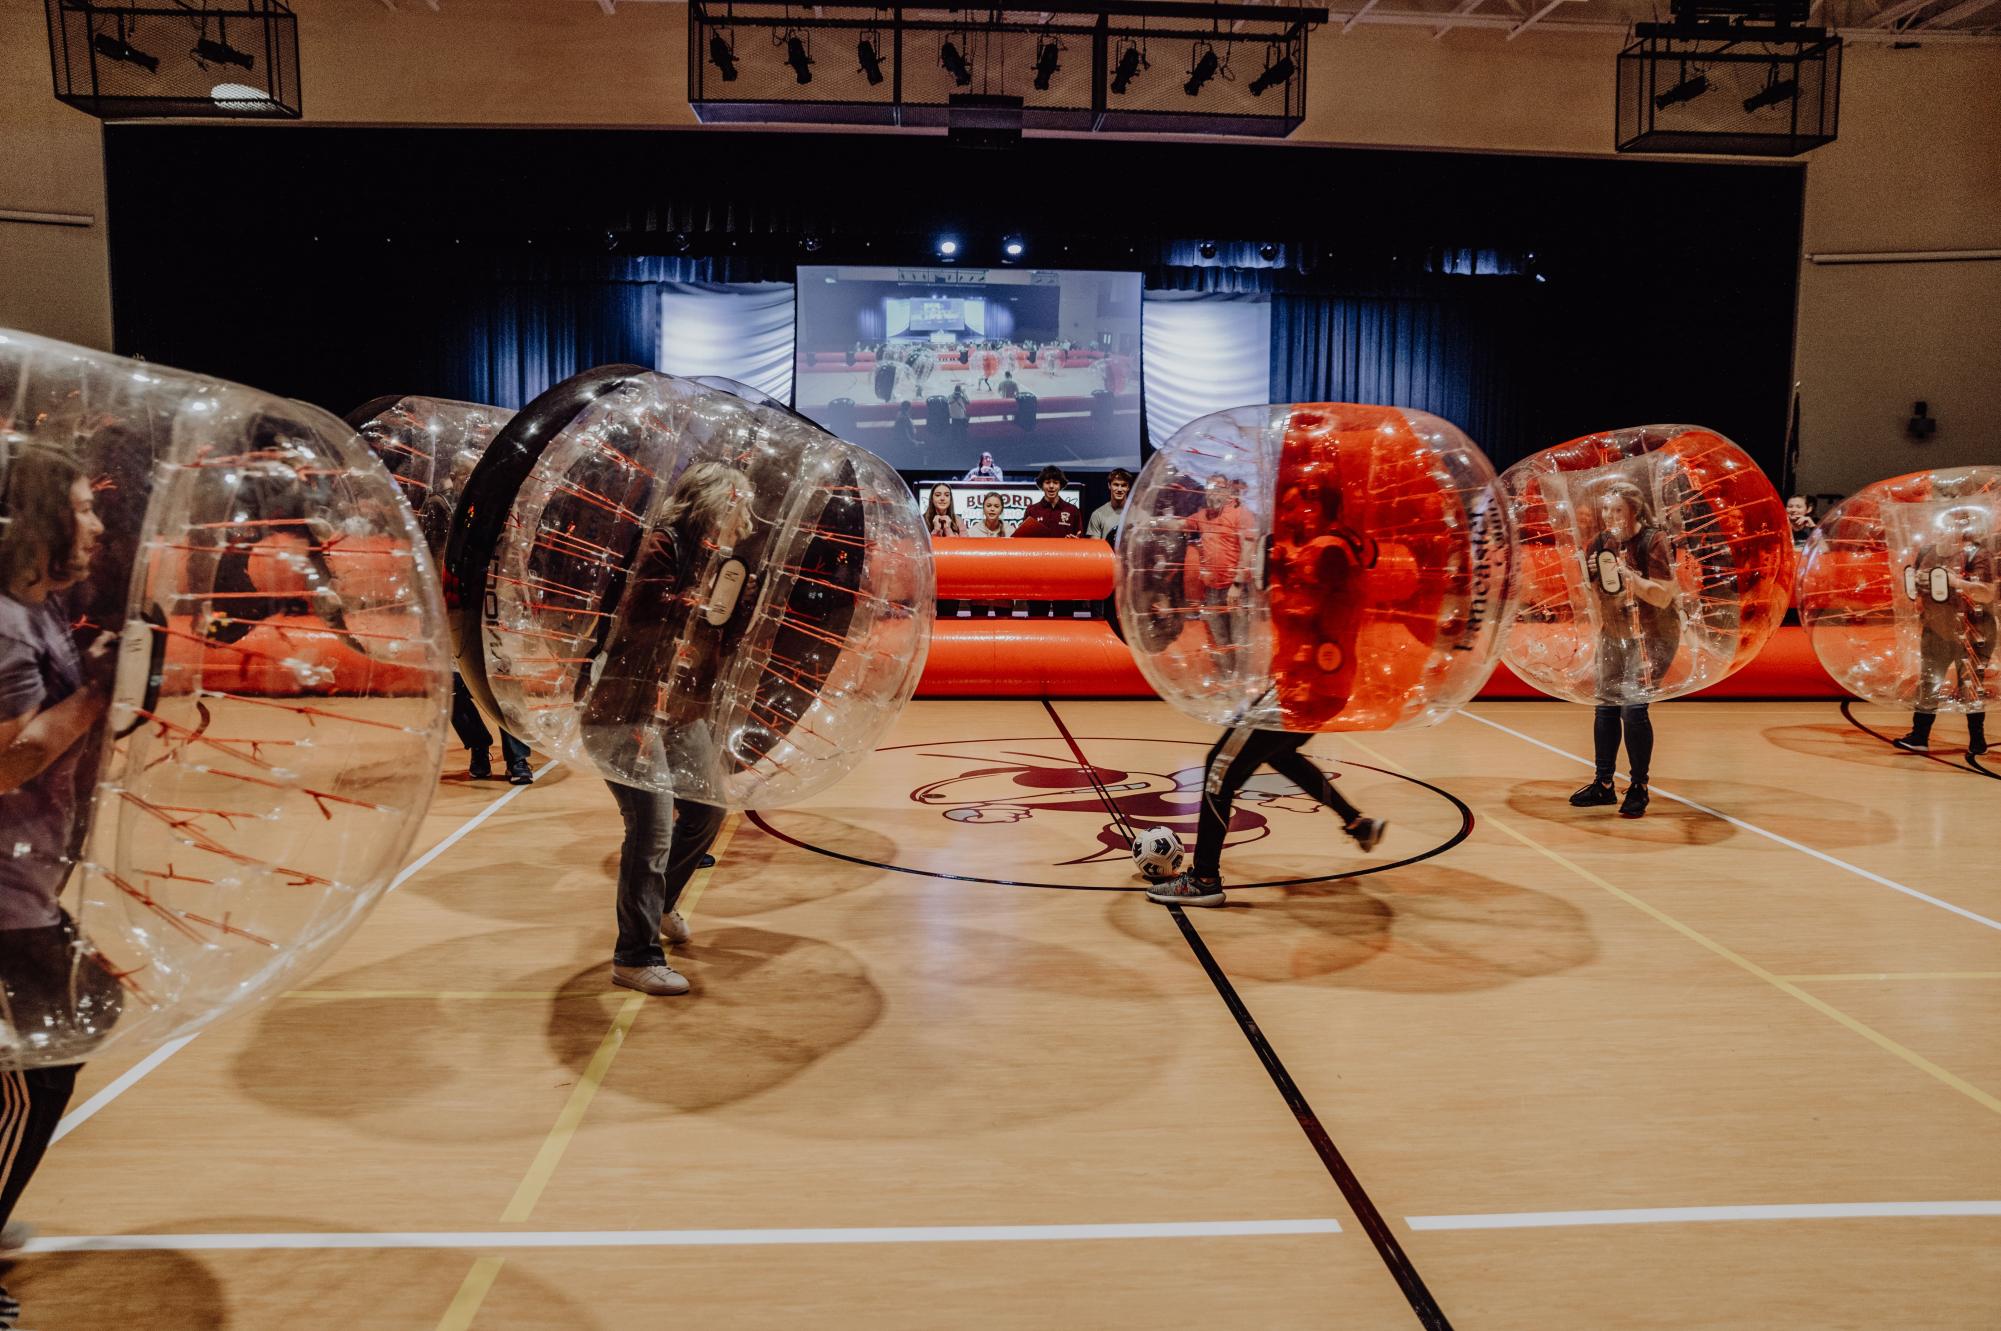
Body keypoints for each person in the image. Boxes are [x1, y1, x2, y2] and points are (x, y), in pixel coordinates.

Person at [0, 443, 125, 1329]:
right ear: (37, 521)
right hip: (1, 892)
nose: (96, 524)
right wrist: (100, 693)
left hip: (25, 878)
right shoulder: (6, 625)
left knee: (71, 1029)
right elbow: (11, 757)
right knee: (49, 1056)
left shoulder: (32, 613)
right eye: (82, 508)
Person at [579, 462, 750, 997]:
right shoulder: (663, 546)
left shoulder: (719, 560)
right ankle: (634, 956)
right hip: (627, 707)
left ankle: (660, 905)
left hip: (676, 708)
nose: (746, 515)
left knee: (706, 809)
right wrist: (702, 604)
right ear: (712, 501)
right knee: (650, 830)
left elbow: (717, 642)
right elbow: (640, 616)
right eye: (738, 502)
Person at [1146, 711, 1386, 908]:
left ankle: (1203, 878)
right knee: (1281, 754)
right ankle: (1355, 822)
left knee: (1218, 768)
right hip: (1318, 697)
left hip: (1285, 696)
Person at [1569, 480, 1681, 818]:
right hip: (1614, 632)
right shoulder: (1599, 543)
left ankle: (1638, 786)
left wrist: (1628, 575)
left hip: (1653, 635)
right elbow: (1597, 601)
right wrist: (1590, 580)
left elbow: (1663, 597)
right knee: (1605, 706)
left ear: (1635, 510)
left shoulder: (1654, 541)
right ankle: (1604, 784)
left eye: (1618, 509)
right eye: (1606, 509)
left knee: (1633, 708)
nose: (1610, 516)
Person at [1894, 507, 1995, 756]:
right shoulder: (1928, 551)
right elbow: (1917, 584)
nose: (1947, 530)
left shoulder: (1978, 554)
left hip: (1973, 630)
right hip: (1936, 627)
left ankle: (1977, 740)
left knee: (1970, 684)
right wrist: (1917, 584)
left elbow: (1987, 592)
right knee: (1929, 681)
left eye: (1954, 525)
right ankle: (1919, 736)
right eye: (1944, 525)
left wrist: (1956, 583)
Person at [1184, 474, 1257, 663]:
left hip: (1235, 590)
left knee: (1240, 640)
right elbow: (1179, 523)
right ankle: (1226, 684)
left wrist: (1238, 585)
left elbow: (1248, 549)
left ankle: (1241, 687)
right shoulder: (1202, 516)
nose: (1213, 493)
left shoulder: (1240, 513)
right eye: (1210, 488)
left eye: (1218, 488)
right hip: (1211, 592)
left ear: (1226, 492)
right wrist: (1154, 523)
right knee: (1220, 641)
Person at [1013, 465, 1084, 617]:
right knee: (1037, 617)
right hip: (1038, 575)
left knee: (1064, 618)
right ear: (1041, 485)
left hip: (1064, 574)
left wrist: (1076, 542)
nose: (1051, 486)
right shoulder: (1032, 510)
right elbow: (1022, 543)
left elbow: (1081, 543)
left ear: (1061, 485)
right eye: (1047, 482)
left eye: (1055, 482)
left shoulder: (1072, 511)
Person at [450, 675, 533, 783]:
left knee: (506, 685)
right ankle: (479, 748)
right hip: (460, 663)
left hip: (496, 662)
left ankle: (516, 759)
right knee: (448, 687)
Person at [1089, 468, 1135, 633]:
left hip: (1130, 581)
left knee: (1129, 627)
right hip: (1107, 580)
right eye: (1116, 484)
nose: (1119, 489)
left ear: (1129, 487)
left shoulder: (1137, 514)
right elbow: (1095, 549)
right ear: (1109, 486)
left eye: (1123, 485)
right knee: (1105, 625)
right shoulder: (1098, 514)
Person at [964, 491, 1014, 616]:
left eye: (996, 506)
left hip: (1004, 588)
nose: (992, 509)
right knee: (978, 626)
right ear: (983, 508)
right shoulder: (972, 532)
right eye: (989, 505)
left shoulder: (1011, 531)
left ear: (1001, 509)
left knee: (1004, 626)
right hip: (979, 587)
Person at [925, 482, 964, 620]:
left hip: (950, 581)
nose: (942, 498)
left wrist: (948, 529)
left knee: (949, 620)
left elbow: (964, 551)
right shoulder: (922, 520)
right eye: (938, 495)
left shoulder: (958, 521)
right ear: (932, 499)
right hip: (929, 582)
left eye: (946, 495)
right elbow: (922, 549)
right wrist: (935, 530)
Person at [947, 384, 971, 451]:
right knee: (963, 432)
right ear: (960, 391)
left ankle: (954, 446)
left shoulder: (950, 396)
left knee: (954, 432)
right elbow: (968, 402)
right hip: (961, 418)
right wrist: (964, 393)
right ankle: (963, 446)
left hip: (953, 417)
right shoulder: (961, 397)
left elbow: (947, 402)